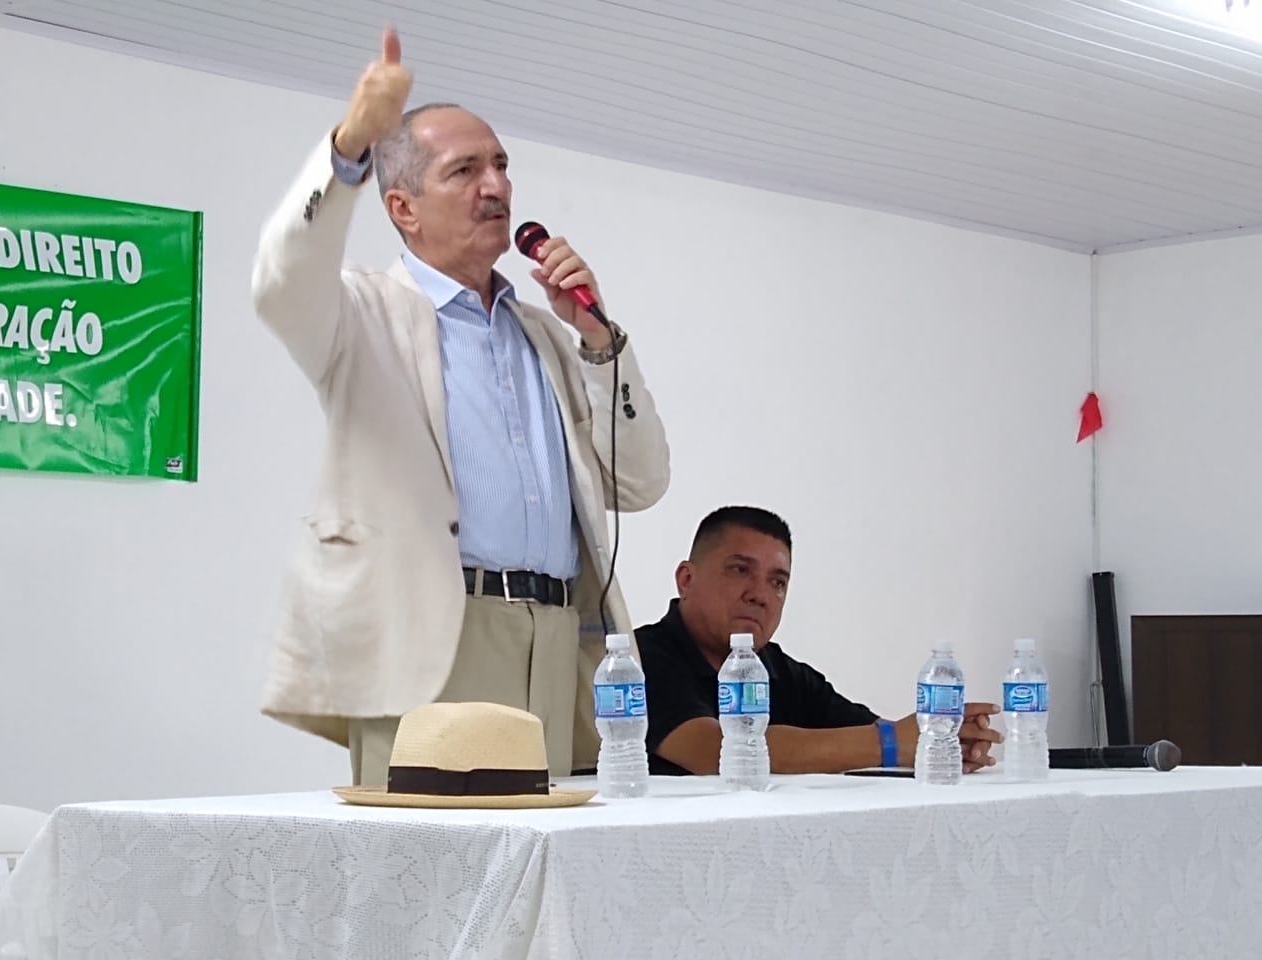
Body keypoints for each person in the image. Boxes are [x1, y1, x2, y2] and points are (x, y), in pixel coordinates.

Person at [251, 28, 670, 784]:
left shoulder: (548, 334)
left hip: (557, 639)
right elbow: (284, 277)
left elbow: (640, 484)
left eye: (503, 166)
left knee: (545, 876)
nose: (497, 187)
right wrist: (350, 146)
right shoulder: (362, 314)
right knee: (431, 876)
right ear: (403, 208)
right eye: (466, 170)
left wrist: (600, 340)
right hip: (434, 638)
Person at [635, 506, 1001, 776]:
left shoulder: (782, 672)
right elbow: (715, 752)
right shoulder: (641, 659)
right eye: (740, 570)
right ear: (686, 579)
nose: (760, 595)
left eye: (778, 582)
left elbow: (868, 733)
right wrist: (893, 743)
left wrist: (940, 742)